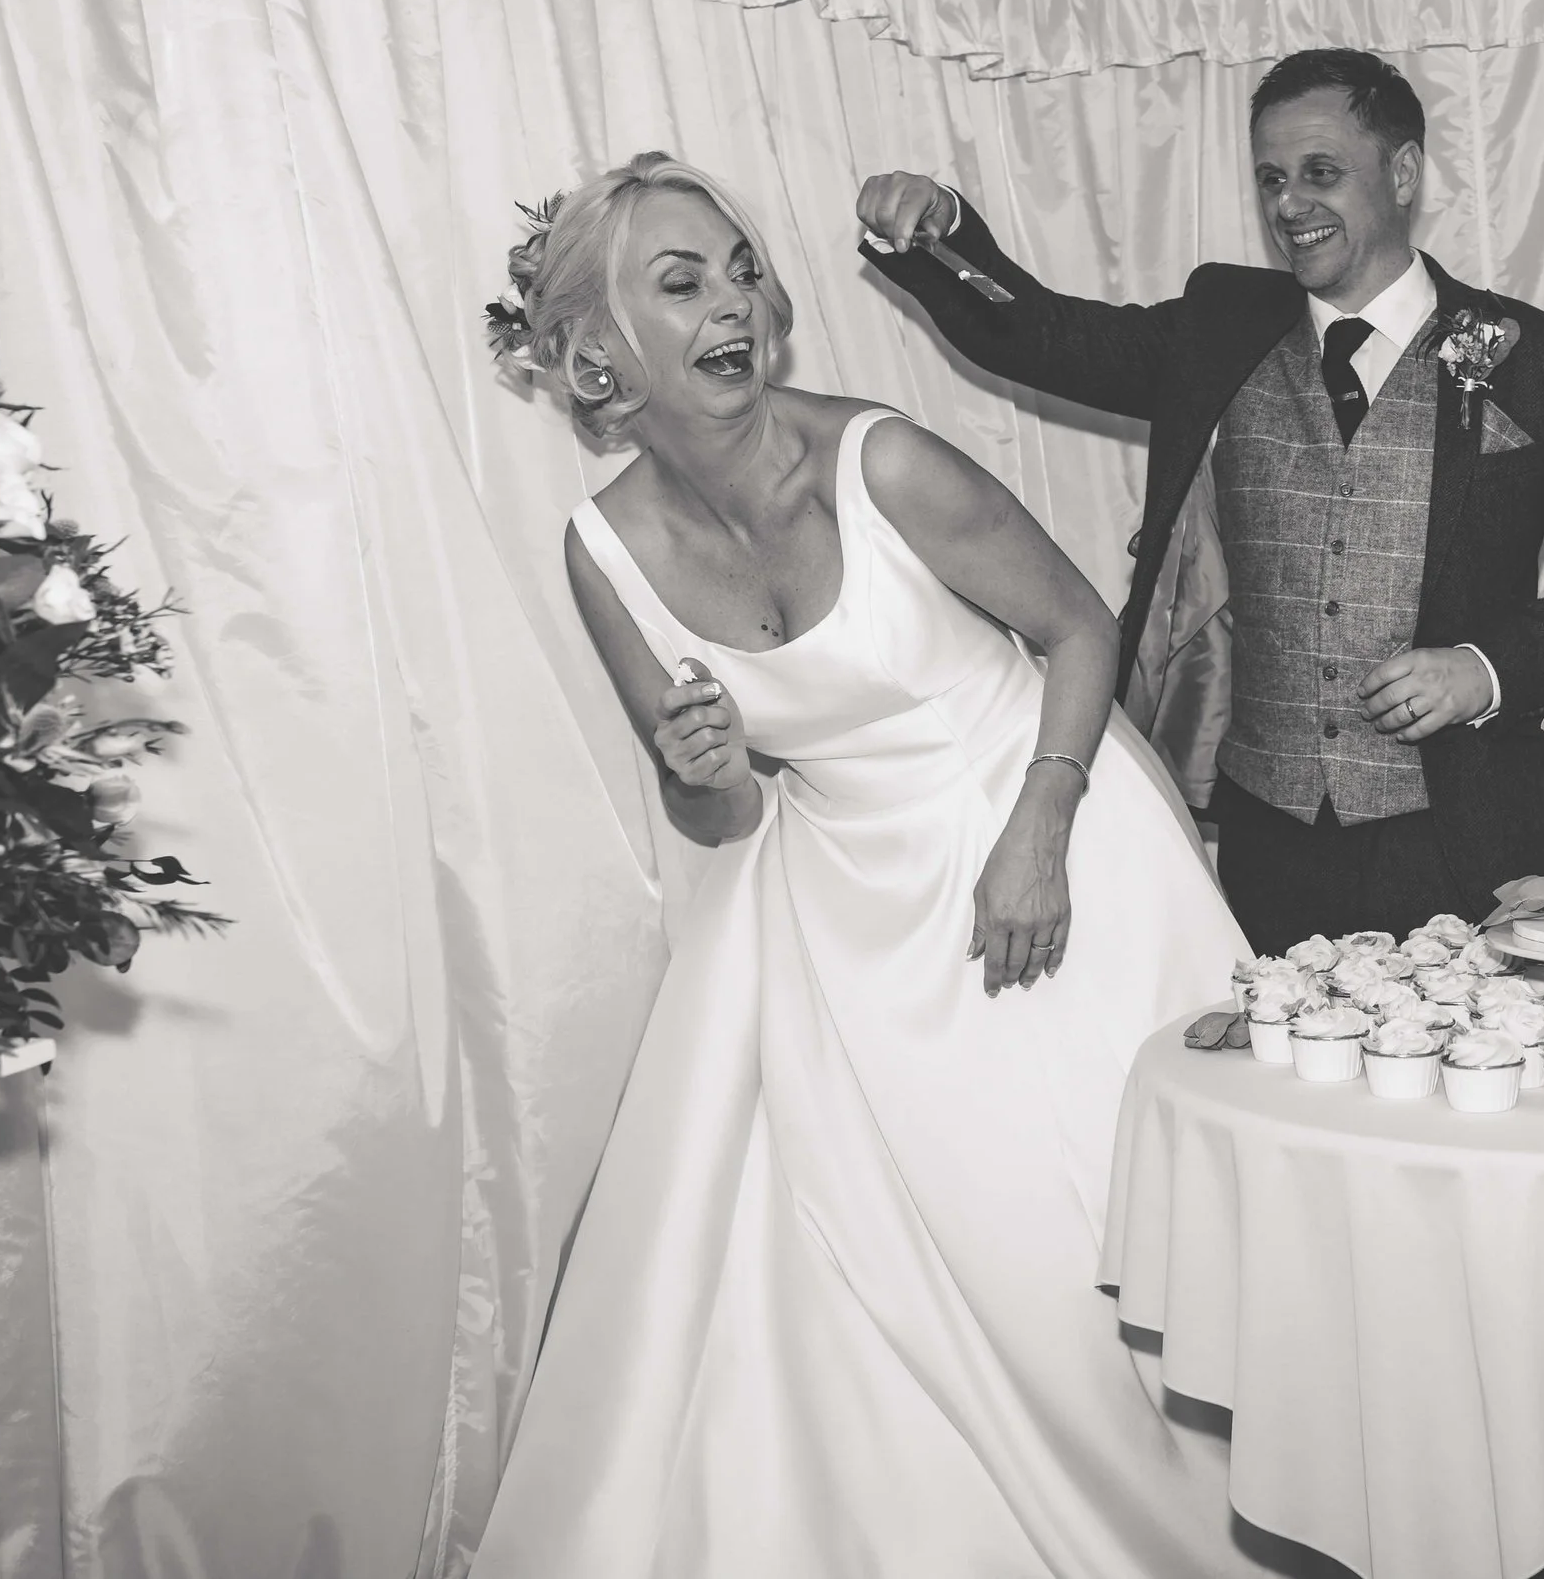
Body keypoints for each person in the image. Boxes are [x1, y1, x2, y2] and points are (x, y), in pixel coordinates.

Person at [470, 152, 1275, 1578]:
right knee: (844, 1279)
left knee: (1098, 1250)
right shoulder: (604, 551)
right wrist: (704, 767)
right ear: (597, 356)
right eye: (685, 281)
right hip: (841, 910)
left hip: (1055, 839)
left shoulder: (881, 458)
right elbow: (713, 801)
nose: (740, 301)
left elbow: (1083, 630)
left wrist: (1040, 831)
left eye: (742, 267)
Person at [859, 48, 1544, 955]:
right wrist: (942, 232)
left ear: (1402, 174)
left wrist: (1485, 669)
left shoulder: (1531, 355)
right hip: (1268, 839)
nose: (1289, 204)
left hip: (1466, 832)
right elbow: (1044, 336)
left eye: (1321, 173)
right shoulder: (1221, 325)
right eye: (1271, 178)